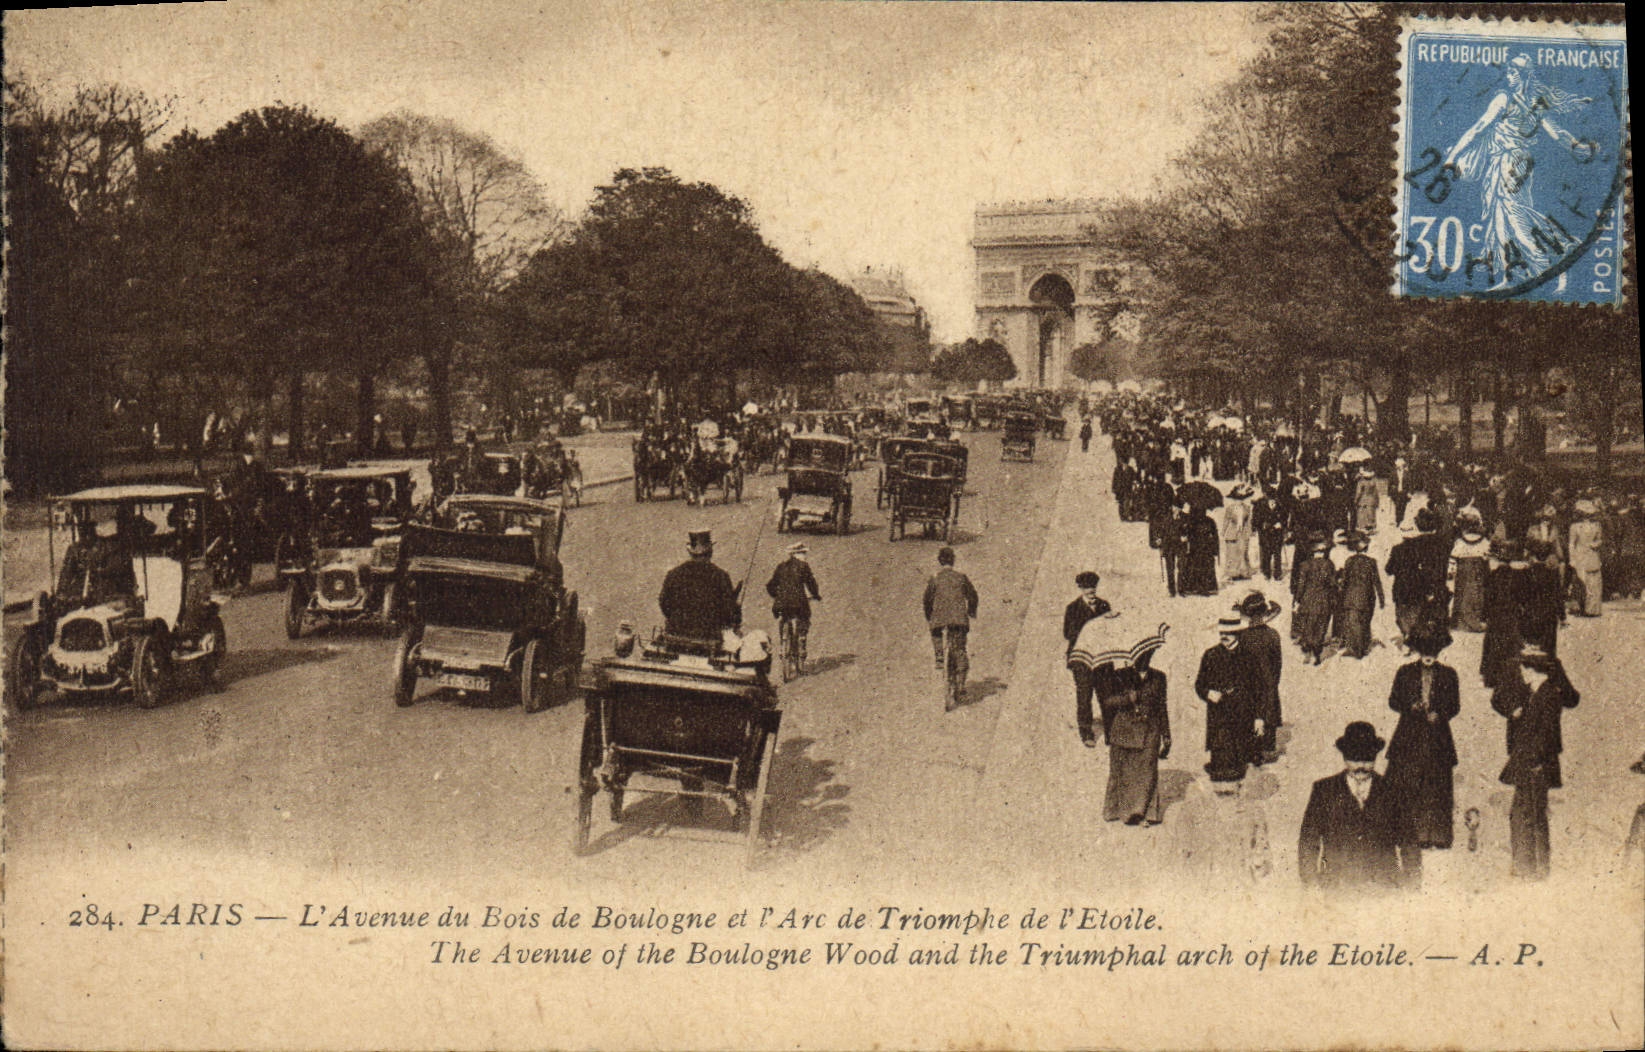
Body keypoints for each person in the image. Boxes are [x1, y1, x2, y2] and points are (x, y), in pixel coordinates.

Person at [1298, 721, 1423, 892]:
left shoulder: (1394, 792)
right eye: (1355, 759)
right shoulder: (1324, 790)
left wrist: (1412, 885)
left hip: (1384, 889)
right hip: (1337, 888)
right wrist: (1310, 884)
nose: (1361, 766)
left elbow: (1409, 843)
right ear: (1344, 757)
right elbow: (1308, 841)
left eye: (1368, 759)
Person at [1491, 644, 1580, 880]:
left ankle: (1534, 868)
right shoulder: (1537, 693)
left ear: (1535, 671)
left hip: (1535, 764)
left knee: (1531, 815)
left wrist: (1536, 761)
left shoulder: (1548, 695)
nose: (1521, 675)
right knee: (1524, 813)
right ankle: (1527, 866)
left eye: (1525, 670)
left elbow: (1547, 735)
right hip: (1528, 760)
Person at [1385, 631, 1461, 850]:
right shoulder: (1405, 672)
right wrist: (1411, 707)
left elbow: (1455, 706)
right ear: (1418, 652)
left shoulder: (1449, 675)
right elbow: (1393, 701)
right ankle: (1409, 834)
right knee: (1408, 785)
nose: (1429, 656)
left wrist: (1440, 713)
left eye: (1433, 652)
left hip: (1438, 739)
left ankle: (1437, 835)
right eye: (1425, 652)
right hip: (1409, 736)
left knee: (1437, 786)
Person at [1097, 636, 1171, 826]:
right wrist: (1127, 699)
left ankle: (1143, 813)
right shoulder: (1119, 675)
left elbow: (1162, 706)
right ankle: (1118, 810)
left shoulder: (1159, 677)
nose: (1144, 658)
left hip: (1150, 731)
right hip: (1124, 730)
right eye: (1140, 655)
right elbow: (1107, 702)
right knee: (1121, 772)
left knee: (1147, 773)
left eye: (1148, 654)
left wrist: (1167, 735)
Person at [1194, 615, 1263, 790]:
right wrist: (1209, 693)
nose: (1224, 636)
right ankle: (1220, 791)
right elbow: (1199, 684)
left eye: (1229, 633)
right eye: (1222, 633)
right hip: (1218, 715)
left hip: (1242, 715)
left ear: (1238, 634)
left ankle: (1236, 791)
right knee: (1220, 755)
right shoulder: (1211, 655)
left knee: (1240, 756)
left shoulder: (1250, 656)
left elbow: (1260, 690)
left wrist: (1259, 717)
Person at [659, 529, 742, 644]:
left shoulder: (673, 574)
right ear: (710, 552)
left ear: (690, 552)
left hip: (674, 635)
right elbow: (729, 612)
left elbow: (664, 604)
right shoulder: (721, 576)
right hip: (710, 639)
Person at [1063, 571, 1115, 747]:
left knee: (1106, 693)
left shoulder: (1104, 606)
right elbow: (1068, 634)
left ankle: (1111, 731)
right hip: (1081, 659)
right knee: (1084, 695)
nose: (1090, 591)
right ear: (1081, 589)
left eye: (1093, 587)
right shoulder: (1072, 608)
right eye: (1087, 588)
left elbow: (1112, 631)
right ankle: (1086, 732)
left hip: (1101, 658)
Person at [1386, 508, 1450, 650]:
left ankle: (1407, 634)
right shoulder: (1420, 546)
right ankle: (1415, 635)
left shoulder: (1397, 549)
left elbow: (1388, 569)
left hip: (1400, 588)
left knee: (1401, 613)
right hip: (1417, 587)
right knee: (1416, 612)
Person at [1235, 591, 1284, 764]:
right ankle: (1267, 748)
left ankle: (1251, 750)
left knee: (1249, 713)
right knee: (1268, 711)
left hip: (1248, 684)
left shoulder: (1242, 637)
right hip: (1268, 681)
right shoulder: (1273, 635)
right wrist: (1273, 680)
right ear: (1264, 613)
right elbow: (1278, 664)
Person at [923, 546, 978, 700]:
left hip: (939, 619)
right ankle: (960, 686)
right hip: (958, 619)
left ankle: (939, 654)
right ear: (953, 561)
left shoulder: (934, 578)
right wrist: (971, 611)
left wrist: (929, 616)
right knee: (960, 649)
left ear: (940, 561)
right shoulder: (961, 577)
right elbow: (973, 595)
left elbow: (927, 600)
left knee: (936, 632)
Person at [766, 542, 822, 669]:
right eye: (802, 553)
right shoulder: (803, 566)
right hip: (799, 603)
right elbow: (811, 583)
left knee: (784, 619)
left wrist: (778, 596)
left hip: (781, 603)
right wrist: (816, 595)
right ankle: (801, 640)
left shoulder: (781, 566)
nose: (804, 555)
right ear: (795, 554)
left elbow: (770, 585)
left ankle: (782, 645)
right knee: (804, 619)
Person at [1336, 531, 1384, 660]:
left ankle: (1357, 650)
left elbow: (1344, 581)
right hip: (1368, 597)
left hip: (1351, 597)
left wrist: (1341, 594)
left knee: (1353, 622)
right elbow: (1377, 581)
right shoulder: (1371, 562)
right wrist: (1381, 598)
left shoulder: (1349, 561)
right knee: (1364, 621)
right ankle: (1363, 646)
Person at [1291, 534, 1337, 665]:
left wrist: (1298, 599)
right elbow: (1332, 584)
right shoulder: (1329, 565)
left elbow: (1300, 585)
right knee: (1320, 626)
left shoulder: (1305, 565)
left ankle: (1307, 650)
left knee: (1307, 625)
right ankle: (1317, 653)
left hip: (1307, 600)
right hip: (1323, 600)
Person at [1450, 519, 1491, 632]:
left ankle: (1461, 622)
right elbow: (1487, 557)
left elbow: (1453, 557)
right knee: (1477, 595)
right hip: (1478, 571)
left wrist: (1451, 571)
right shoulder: (1484, 541)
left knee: (1461, 594)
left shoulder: (1460, 541)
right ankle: (1475, 621)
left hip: (1463, 572)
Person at [1569, 499, 1604, 616]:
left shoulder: (1597, 525)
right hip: (1580, 555)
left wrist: (1596, 544)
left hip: (1592, 554)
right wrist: (1572, 558)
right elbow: (1571, 543)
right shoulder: (1574, 527)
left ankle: (1592, 609)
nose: (1586, 516)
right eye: (1584, 514)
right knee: (1581, 581)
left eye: (1589, 514)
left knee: (1593, 581)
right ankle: (1579, 607)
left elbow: (1600, 540)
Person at [1179, 503, 1220, 597]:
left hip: (1197, 547)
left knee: (1197, 566)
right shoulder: (1209, 521)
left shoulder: (1191, 521)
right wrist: (1215, 549)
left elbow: (1185, 533)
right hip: (1203, 548)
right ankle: (1205, 587)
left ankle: (1196, 587)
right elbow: (1214, 536)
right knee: (1204, 567)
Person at [1251, 486, 1289, 583]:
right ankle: (1266, 573)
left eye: (1274, 499)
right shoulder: (1259, 505)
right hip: (1265, 534)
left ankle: (1277, 573)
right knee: (1266, 553)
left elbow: (1285, 517)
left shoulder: (1281, 505)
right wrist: (1263, 525)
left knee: (1277, 553)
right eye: (1270, 498)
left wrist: (1282, 524)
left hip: (1277, 533)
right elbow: (1255, 519)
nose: (1272, 501)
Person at [1221, 484, 1254, 583]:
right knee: (1232, 552)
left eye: (1240, 499)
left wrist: (1249, 531)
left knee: (1243, 551)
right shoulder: (1230, 508)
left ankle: (1243, 572)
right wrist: (1223, 531)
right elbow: (1226, 520)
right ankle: (1232, 573)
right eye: (1236, 499)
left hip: (1243, 532)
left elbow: (1248, 521)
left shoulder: (1247, 508)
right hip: (1232, 532)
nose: (1238, 501)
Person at [1353, 466, 1380, 533]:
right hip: (1371, 500)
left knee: (1362, 515)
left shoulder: (1361, 482)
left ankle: (1364, 529)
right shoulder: (1373, 481)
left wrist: (1355, 500)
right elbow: (1376, 493)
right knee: (1371, 514)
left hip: (1363, 500)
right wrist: (1377, 501)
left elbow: (1358, 492)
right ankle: (1371, 528)